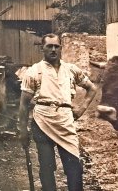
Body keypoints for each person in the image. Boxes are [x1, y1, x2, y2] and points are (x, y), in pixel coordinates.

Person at [18, 33, 97, 191]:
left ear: (61, 48)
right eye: (49, 46)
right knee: (47, 168)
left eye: (56, 46)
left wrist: (81, 108)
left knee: (74, 167)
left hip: (65, 121)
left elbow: (92, 88)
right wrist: (22, 130)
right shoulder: (34, 72)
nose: (53, 49)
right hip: (42, 121)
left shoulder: (71, 70)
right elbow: (24, 104)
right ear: (43, 48)